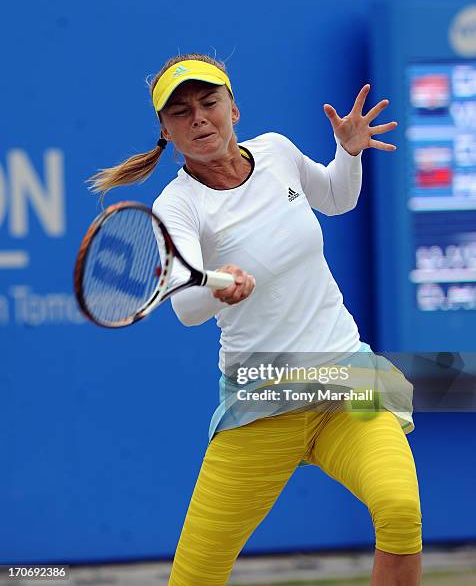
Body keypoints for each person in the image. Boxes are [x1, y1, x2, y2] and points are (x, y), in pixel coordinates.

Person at [90, 53, 422, 586]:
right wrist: (219, 286)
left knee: (400, 511)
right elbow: (184, 306)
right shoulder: (177, 206)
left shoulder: (277, 151)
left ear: (234, 109)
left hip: (349, 379)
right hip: (263, 397)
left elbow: (336, 198)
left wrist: (349, 152)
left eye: (208, 102)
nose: (198, 118)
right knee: (195, 578)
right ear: (167, 131)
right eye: (181, 112)